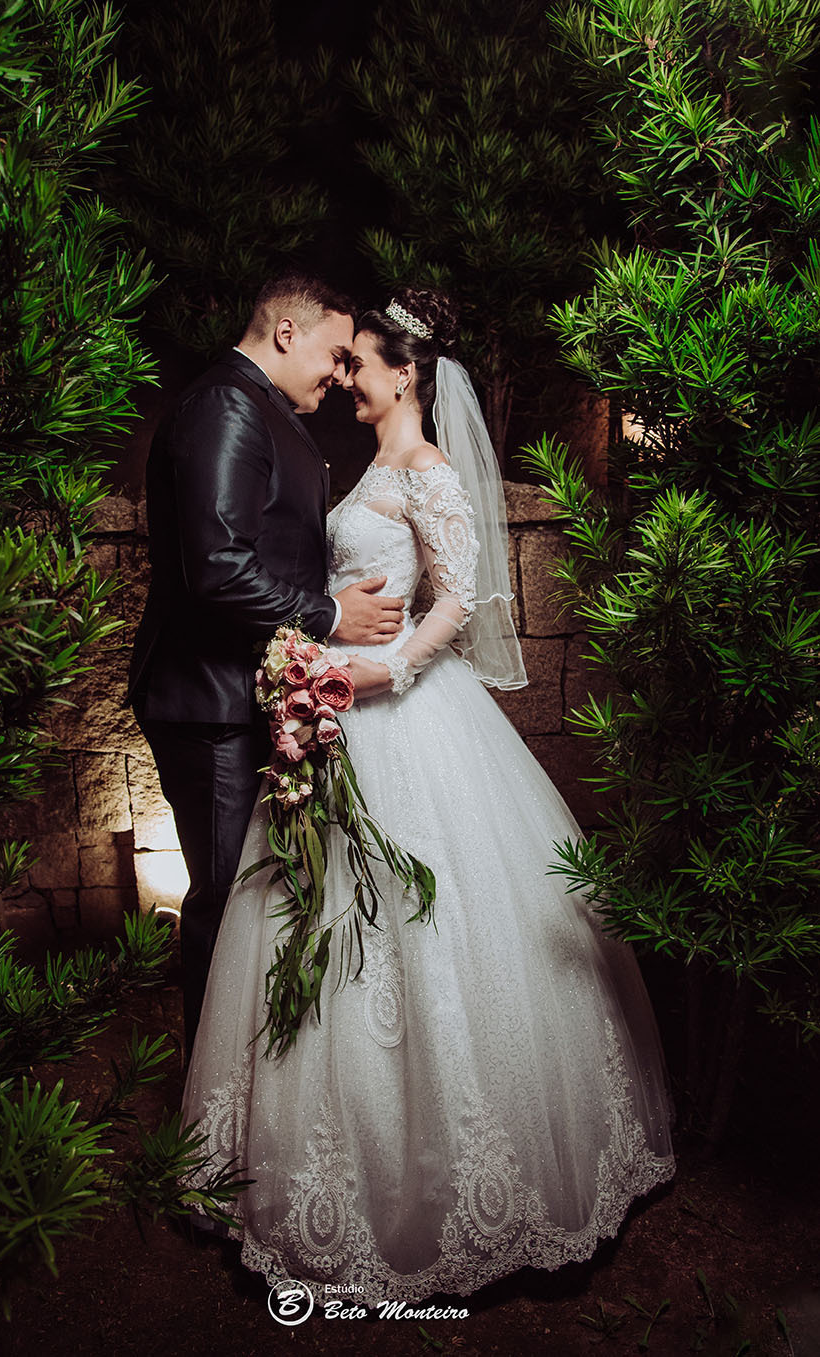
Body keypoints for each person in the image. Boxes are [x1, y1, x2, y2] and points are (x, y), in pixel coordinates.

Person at [181, 287, 675, 1306]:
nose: (348, 375)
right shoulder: (366, 468)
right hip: (341, 709)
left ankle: (470, 1182)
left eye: (360, 360)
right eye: (346, 358)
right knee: (318, 917)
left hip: (404, 710)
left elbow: (460, 596)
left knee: (437, 927)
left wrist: (383, 671)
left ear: (405, 373)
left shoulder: (429, 471)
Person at [127, 274, 405, 1056]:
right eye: (336, 354)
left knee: (258, 896)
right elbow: (215, 565)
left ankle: (245, 1090)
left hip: (246, 698)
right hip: (209, 704)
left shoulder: (259, 409)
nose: (343, 374)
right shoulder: (226, 406)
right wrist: (330, 614)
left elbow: (259, 549)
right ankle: (209, 1113)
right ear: (287, 331)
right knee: (228, 896)